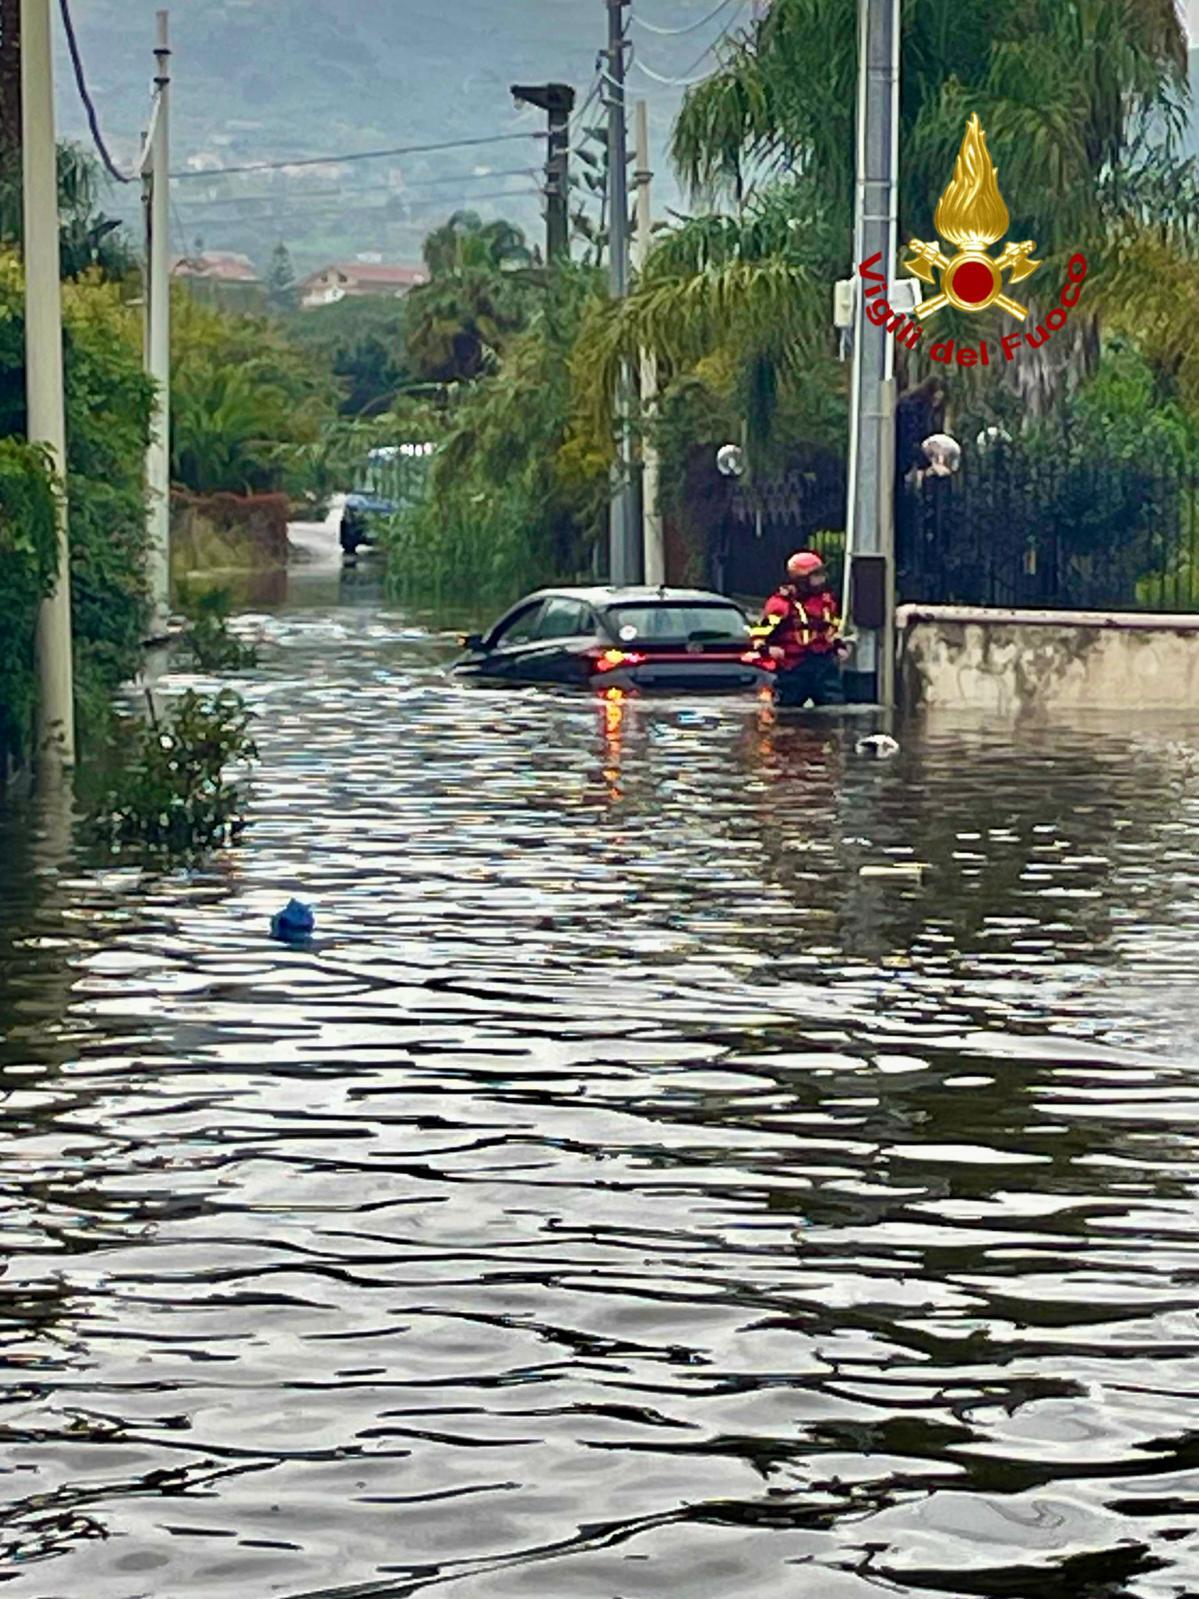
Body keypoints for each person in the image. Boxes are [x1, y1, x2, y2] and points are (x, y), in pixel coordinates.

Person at [754, 551, 846, 707]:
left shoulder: (826, 601)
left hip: (822, 662)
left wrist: (838, 645)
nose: (821, 580)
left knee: (834, 705)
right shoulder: (781, 603)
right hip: (793, 665)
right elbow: (761, 632)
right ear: (801, 580)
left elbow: (831, 629)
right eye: (815, 576)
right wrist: (766, 648)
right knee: (787, 708)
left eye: (821, 575)